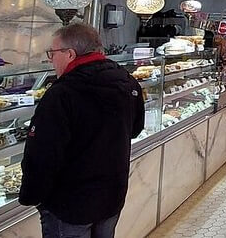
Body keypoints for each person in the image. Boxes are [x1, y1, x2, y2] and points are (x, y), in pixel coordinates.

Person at [20, 23, 144, 238]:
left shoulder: (62, 93)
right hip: (112, 193)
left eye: (53, 53)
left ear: (70, 54)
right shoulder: (127, 81)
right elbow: (135, 129)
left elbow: (43, 153)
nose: (51, 59)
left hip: (70, 203)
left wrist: (31, 195)